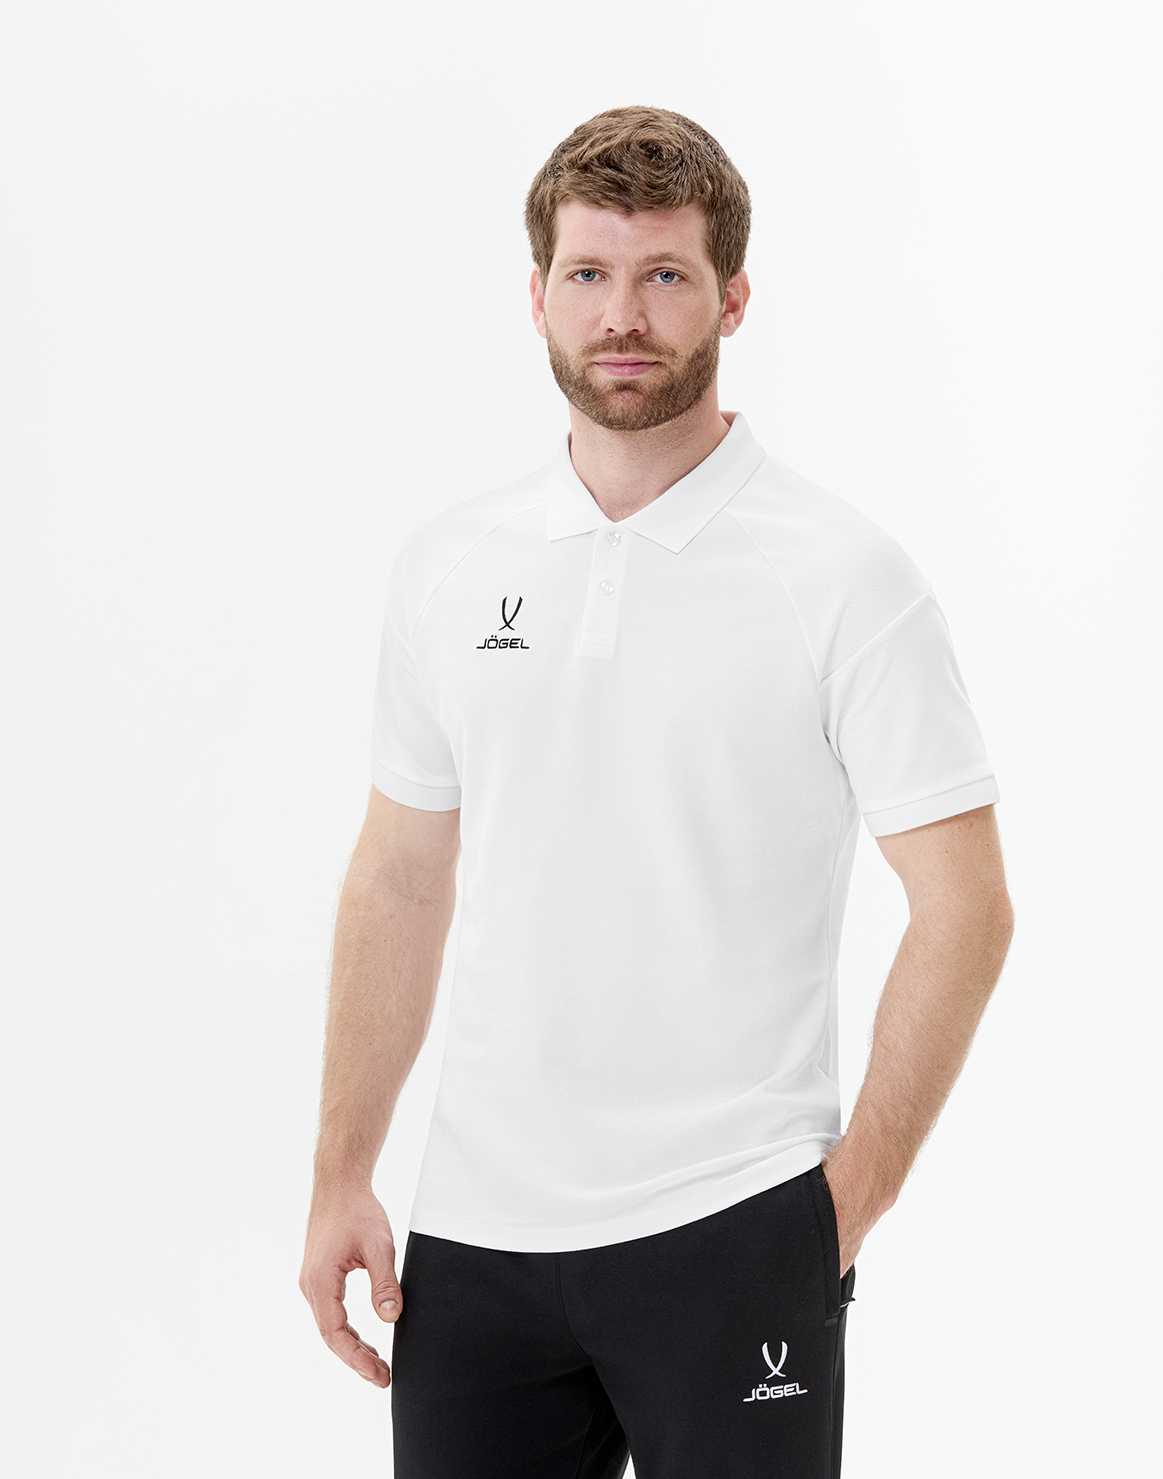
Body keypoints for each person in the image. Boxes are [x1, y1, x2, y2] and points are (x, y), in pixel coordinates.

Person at [299, 105, 1014, 1479]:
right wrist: (341, 1173)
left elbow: (965, 906)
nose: (621, 315)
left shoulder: (840, 577)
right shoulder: (450, 566)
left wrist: (840, 1207)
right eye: (588, 273)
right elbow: (398, 877)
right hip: (476, 1241)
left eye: (664, 275)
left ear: (732, 298)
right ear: (537, 295)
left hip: (735, 1220)